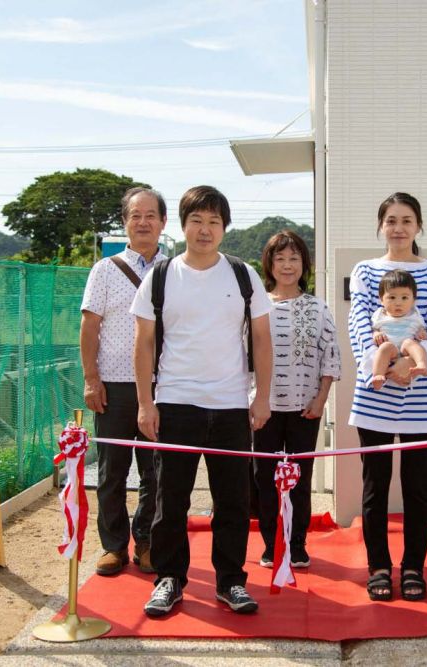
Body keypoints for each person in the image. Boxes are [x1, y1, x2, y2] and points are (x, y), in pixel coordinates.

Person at [131, 185, 272, 617]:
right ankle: (169, 579)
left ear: (225, 228)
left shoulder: (243, 275)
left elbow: (263, 341)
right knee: (170, 500)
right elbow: (144, 343)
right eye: (197, 220)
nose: (205, 229)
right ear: (183, 224)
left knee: (232, 500)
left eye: (214, 221)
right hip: (175, 402)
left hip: (231, 405)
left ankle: (231, 581)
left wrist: (260, 397)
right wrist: (145, 403)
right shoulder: (161, 276)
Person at [347, 192, 427, 602]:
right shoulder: (364, 270)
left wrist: (411, 366)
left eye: (406, 220)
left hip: (422, 390)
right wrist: (383, 367)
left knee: (417, 488)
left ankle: (413, 566)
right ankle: (378, 566)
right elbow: (359, 325)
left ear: (419, 226)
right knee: (374, 486)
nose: (398, 227)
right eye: (391, 220)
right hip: (374, 391)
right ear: (380, 225)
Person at [79, 186, 167, 576]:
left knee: (156, 470)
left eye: (151, 215)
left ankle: (146, 541)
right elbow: (89, 325)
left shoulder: (176, 269)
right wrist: (91, 379)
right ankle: (112, 546)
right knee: (111, 471)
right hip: (113, 386)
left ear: (164, 223)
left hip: (163, 387)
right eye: (136, 215)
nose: (143, 222)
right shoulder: (104, 270)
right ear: (125, 223)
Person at [252, 230, 340, 569]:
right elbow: (245, 356)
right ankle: (271, 543)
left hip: (306, 407)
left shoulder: (318, 307)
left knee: (300, 477)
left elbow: (330, 356)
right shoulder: (257, 305)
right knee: (264, 477)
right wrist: (252, 400)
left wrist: (321, 399)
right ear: (269, 264)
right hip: (265, 407)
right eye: (280, 259)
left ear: (304, 265)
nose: (287, 266)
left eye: (294, 259)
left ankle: (298, 544)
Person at [370, 269, 427, 390]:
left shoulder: (414, 315)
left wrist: (422, 333)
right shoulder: (379, 315)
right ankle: (378, 375)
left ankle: (422, 364)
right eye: (392, 297)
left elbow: (422, 328)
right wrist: (376, 334)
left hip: (406, 351)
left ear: (413, 299)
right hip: (391, 350)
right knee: (384, 347)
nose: (398, 303)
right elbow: (374, 329)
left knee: (411, 344)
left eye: (404, 298)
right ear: (381, 299)